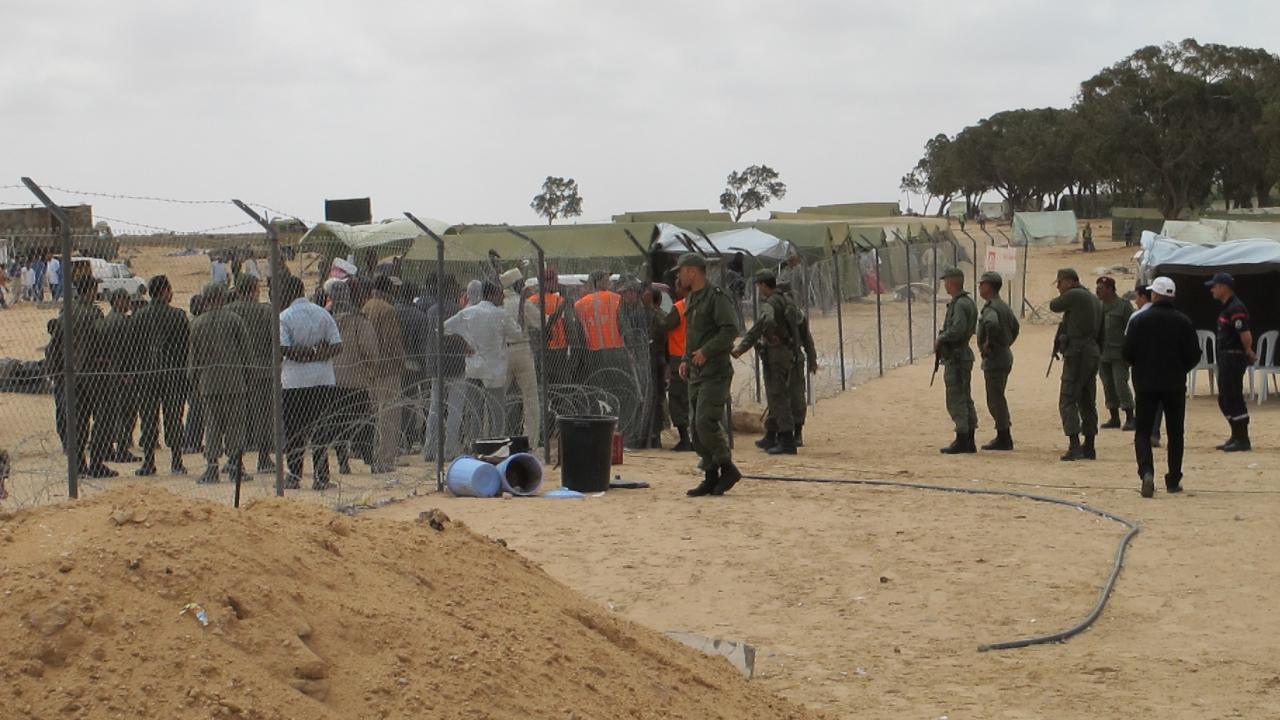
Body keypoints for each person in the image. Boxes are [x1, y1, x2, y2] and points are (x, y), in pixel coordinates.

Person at [1123, 277, 1201, 498]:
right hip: (1174, 384)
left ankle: (1146, 472)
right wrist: (1180, 369)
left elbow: (1127, 352)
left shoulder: (1140, 320)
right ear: (1172, 296)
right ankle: (1173, 479)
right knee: (1176, 433)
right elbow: (1194, 354)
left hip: (1145, 384)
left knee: (1143, 432)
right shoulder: (1183, 321)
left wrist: (1140, 367)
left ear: (1155, 295)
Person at [676, 253, 741, 497]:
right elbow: (692, 333)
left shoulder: (716, 297)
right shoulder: (692, 298)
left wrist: (707, 351)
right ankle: (711, 475)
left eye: (681, 271)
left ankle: (727, 467)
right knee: (695, 426)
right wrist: (686, 359)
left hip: (715, 371)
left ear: (692, 271)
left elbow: (730, 330)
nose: (679, 276)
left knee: (705, 421)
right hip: (696, 372)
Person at [46, 275, 115, 477]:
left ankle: (78, 466)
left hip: (70, 375)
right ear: (90, 291)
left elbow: (54, 345)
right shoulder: (93, 314)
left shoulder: (65, 313)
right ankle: (97, 463)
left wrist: (56, 372)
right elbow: (103, 339)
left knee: (78, 421)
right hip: (93, 375)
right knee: (103, 418)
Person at [279, 274, 343, 489]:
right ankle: (321, 477)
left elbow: (284, 349)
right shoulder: (322, 314)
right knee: (321, 431)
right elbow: (336, 346)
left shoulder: (284, 317)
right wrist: (318, 352)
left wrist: (303, 352)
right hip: (323, 380)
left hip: (294, 382)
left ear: (288, 293)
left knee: (294, 432)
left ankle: (294, 476)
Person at [731, 268, 802, 455]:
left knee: (778, 397)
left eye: (759, 285)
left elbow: (763, 324)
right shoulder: (785, 300)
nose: (758, 289)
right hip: (787, 352)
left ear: (763, 285)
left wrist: (746, 346)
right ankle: (772, 435)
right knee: (777, 396)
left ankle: (786, 440)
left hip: (776, 355)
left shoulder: (770, 303)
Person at [188, 282, 250, 485]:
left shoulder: (197, 324)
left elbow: (193, 359)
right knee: (236, 424)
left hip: (208, 383)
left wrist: (195, 381)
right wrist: (247, 377)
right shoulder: (235, 320)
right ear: (222, 298)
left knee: (212, 424)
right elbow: (246, 353)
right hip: (234, 382)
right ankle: (235, 466)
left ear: (205, 300)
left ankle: (212, 467)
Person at [443, 280, 521, 441]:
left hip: (473, 368)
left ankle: (475, 443)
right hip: (494, 370)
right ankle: (497, 443)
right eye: (500, 294)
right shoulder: (500, 314)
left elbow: (444, 328)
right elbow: (517, 334)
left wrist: (463, 343)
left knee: (474, 411)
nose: (503, 298)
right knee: (496, 411)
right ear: (492, 295)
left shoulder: (468, 312)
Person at [132, 275, 190, 476]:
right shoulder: (178, 316)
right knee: (173, 416)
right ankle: (176, 461)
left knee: (148, 417)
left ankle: (149, 462)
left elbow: (133, 348)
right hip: (172, 375)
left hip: (146, 375)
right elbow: (185, 348)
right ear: (164, 291)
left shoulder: (139, 317)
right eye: (170, 289)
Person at [1050, 268, 1103, 461]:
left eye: (1060, 282)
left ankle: (1074, 445)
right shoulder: (1093, 299)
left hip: (1078, 353)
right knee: (1087, 399)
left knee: (1068, 398)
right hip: (1091, 351)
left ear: (1070, 281)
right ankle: (1089, 445)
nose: (1058, 287)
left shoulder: (1075, 295)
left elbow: (1054, 305)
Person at [225, 273, 276, 473]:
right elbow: (275, 341)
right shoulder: (267, 312)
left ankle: (234, 459)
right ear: (255, 290)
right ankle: (263, 458)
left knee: (236, 417)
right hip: (262, 371)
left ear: (237, 290)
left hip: (235, 372)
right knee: (263, 415)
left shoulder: (228, 311)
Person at [327, 281, 378, 474]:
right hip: (356, 379)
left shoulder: (326, 317)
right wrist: (370, 369)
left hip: (332, 379)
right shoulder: (358, 319)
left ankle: (343, 462)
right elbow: (369, 348)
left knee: (338, 422)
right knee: (364, 420)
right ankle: (370, 458)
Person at [360, 276, 406, 473]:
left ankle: (374, 456)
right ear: (389, 289)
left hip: (369, 369)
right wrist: (402, 361)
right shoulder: (388, 310)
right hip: (387, 368)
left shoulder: (365, 307)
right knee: (389, 415)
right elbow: (391, 341)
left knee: (374, 415)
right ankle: (386, 459)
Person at [1207, 272, 1255, 452]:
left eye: (1214, 286)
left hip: (1233, 357)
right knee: (1225, 397)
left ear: (1224, 287)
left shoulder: (1236, 308)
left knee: (1233, 396)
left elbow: (1245, 333)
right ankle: (1235, 434)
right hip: (1225, 357)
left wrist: (1248, 350)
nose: (1212, 290)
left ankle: (1242, 438)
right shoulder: (1227, 307)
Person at [423, 275, 469, 460]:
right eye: (456, 286)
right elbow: (461, 337)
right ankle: (450, 449)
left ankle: (430, 448)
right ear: (450, 288)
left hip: (436, 364)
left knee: (435, 407)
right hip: (456, 364)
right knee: (455, 408)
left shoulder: (432, 310)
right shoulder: (459, 311)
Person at [935, 266, 979, 454]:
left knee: (956, 398)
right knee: (964, 396)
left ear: (952, 282)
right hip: (961, 354)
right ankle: (968, 438)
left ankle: (962, 438)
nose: (945, 285)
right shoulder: (966, 302)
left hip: (957, 356)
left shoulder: (960, 304)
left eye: (946, 281)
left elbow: (958, 329)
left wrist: (942, 338)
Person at [976, 271, 1020, 450]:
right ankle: (1003, 434)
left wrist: (989, 343)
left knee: (995, 399)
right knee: (997, 396)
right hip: (1003, 355)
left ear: (989, 286)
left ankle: (1004, 436)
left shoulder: (992, 308)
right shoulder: (1003, 305)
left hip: (995, 358)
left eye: (982, 284)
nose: (979, 287)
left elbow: (992, 324)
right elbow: (1015, 327)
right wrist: (1006, 343)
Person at [498, 268, 541, 445]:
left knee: (497, 397)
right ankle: (531, 440)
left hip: (502, 351)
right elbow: (541, 321)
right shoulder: (523, 303)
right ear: (516, 285)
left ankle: (493, 437)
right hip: (522, 348)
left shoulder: (498, 304)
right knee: (530, 397)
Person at [101, 288, 141, 462]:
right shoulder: (123, 322)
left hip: (109, 372)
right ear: (118, 301)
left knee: (112, 411)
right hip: (123, 374)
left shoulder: (107, 320)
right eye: (126, 300)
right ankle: (123, 449)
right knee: (127, 411)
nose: (128, 303)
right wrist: (128, 373)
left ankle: (109, 448)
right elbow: (128, 350)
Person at [1096, 276, 1135, 432]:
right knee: (1107, 384)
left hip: (1119, 354)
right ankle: (1114, 417)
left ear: (1110, 289)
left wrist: (1130, 353)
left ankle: (1130, 417)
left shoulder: (1123, 306)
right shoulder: (1098, 306)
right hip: (1102, 353)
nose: (1097, 291)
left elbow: (1131, 329)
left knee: (1120, 383)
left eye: (1101, 289)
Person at [1127, 284, 1163, 448]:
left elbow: (1128, 342)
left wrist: (1131, 361)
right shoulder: (1172, 315)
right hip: (1163, 365)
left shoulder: (1137, 316)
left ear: (1143, 297)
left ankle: (1144, 434)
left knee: (1143, 400)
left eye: (1137, 297)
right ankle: (1154, 432)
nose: (1135, 301)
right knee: (1159, 401)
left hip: (1141, 365)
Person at [664, 277, 692, 452]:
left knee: (677, 399)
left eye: (677, 286)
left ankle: (685, 440)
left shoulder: (680, 307)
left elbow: (665, 325)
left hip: (678, 357)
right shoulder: (701, 305)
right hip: (697, 356)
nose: (675, 289)